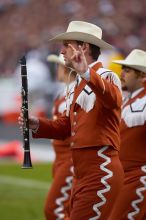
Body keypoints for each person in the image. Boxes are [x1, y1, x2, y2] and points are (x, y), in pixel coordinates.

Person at [19, 21, 124, 219]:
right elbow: (66, 126)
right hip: (82, 172)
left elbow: (113, 99)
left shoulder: (106, 75)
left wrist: (86, 72)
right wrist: (37, 123)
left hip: (101, 170)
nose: (61, 51)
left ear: (83, 47)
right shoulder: (77, 83)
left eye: (67, 45)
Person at [109, 49, 146, 220]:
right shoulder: (128, 98)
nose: (122, 73)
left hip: (138, 176)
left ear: (142, 76)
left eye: (128, 70)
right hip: (124, 175)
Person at [44, 53, 76, 220]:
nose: (57, 69)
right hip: (60, 157)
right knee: (66, 208)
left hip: (69, 158)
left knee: (53, 208)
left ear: (67, 69)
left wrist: (39, 125)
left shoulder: (74, 95)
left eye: (59, 66)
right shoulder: (63, 93)